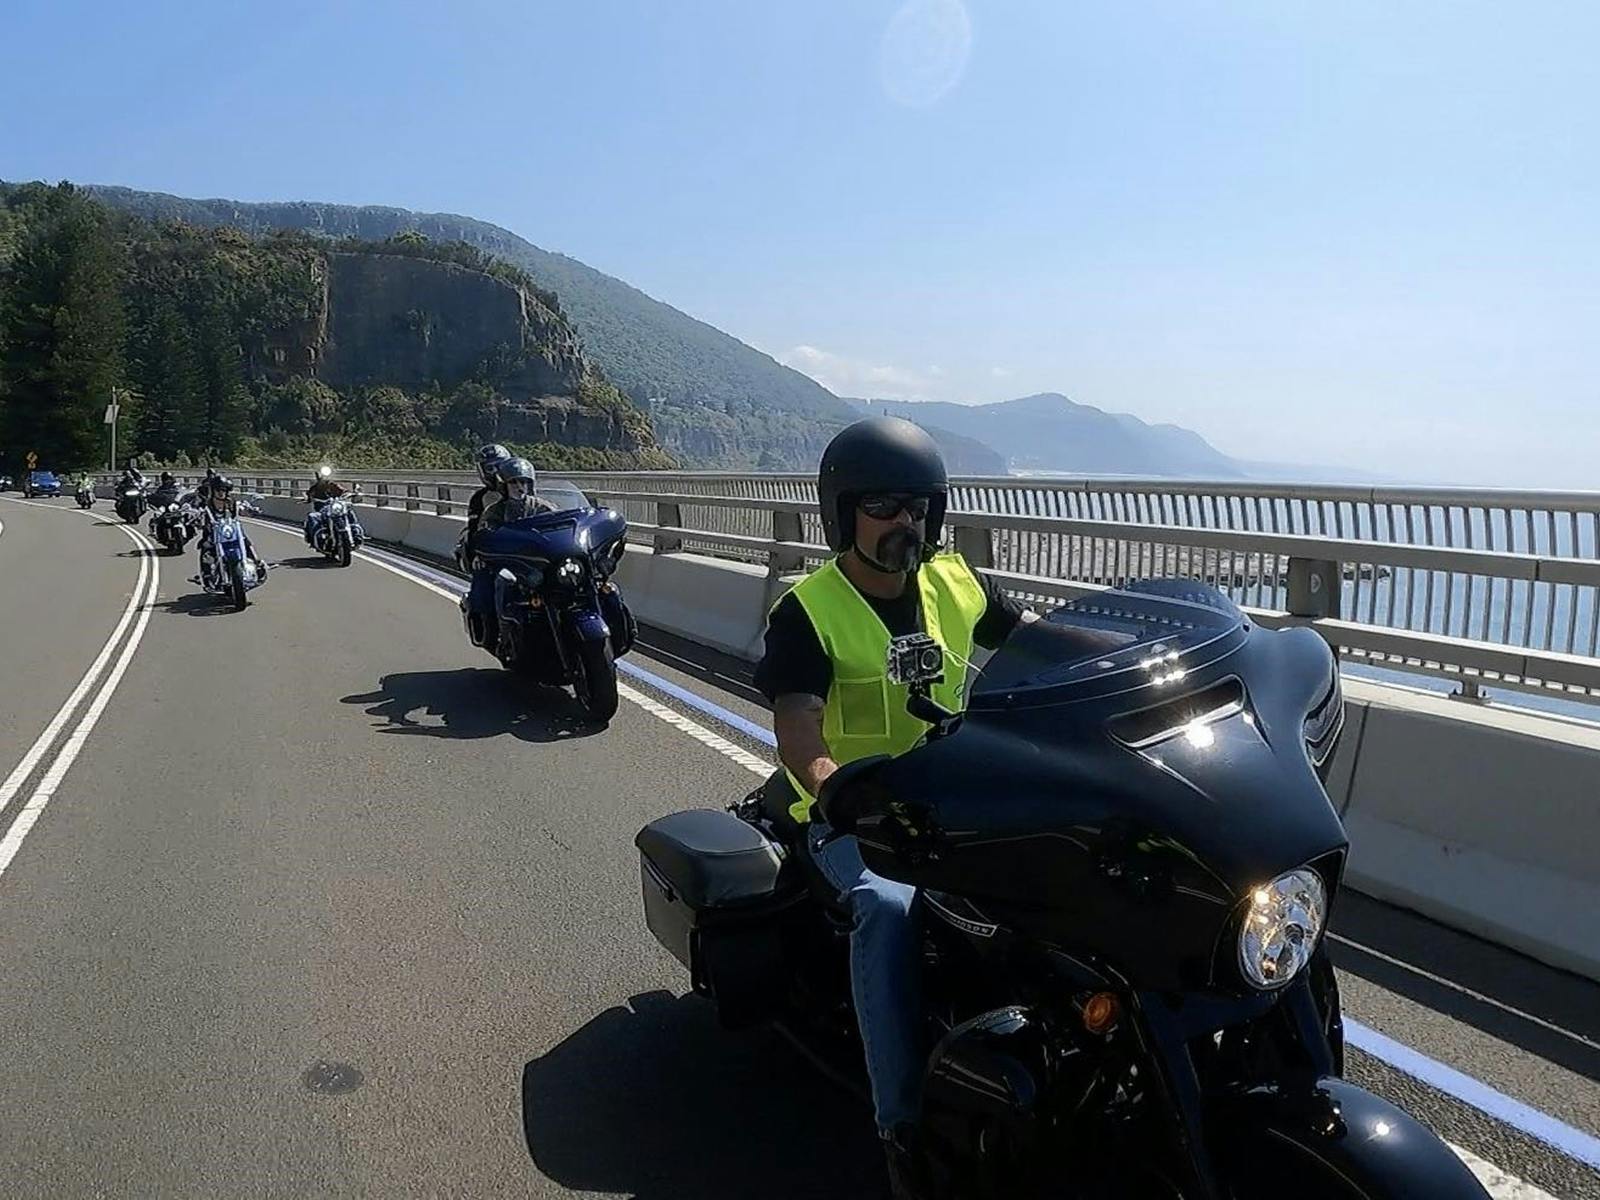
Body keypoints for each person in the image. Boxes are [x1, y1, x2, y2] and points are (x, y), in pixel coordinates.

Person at [752, 417, 1038, 1199]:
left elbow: (1037, 646)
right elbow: (797, 725)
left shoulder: (955, 582)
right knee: (886, 909)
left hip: (954, 802)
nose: (904, 522)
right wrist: (835, 784)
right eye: (883, 505)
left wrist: (1116, 654)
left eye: (917, 506)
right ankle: (902, 1128)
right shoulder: (810, 610)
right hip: (854, 815)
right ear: (845, 513)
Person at [196, 474, 267, 584]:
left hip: (230, 531)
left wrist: (251, 510)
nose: (221, 492)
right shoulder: (207, 505)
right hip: (213, 533)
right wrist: (196, 517)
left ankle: (258, 565)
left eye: (224, 490)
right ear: (213, 490)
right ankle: (206, 575)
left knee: (245, 542)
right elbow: (199, 517)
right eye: (218, 489)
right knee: (205, 547)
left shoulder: (232, 502)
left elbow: (242, 510)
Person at [304, 465, 346, 547]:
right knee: (312, 517)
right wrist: (309, 499)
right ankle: (317, 539)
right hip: (322, 509)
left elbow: (343, 491)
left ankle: (357, 533)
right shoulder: (315, 487)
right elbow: (309, 495)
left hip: (334, 508)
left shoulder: (333, 485)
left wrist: (349, 494)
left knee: (348, 511)